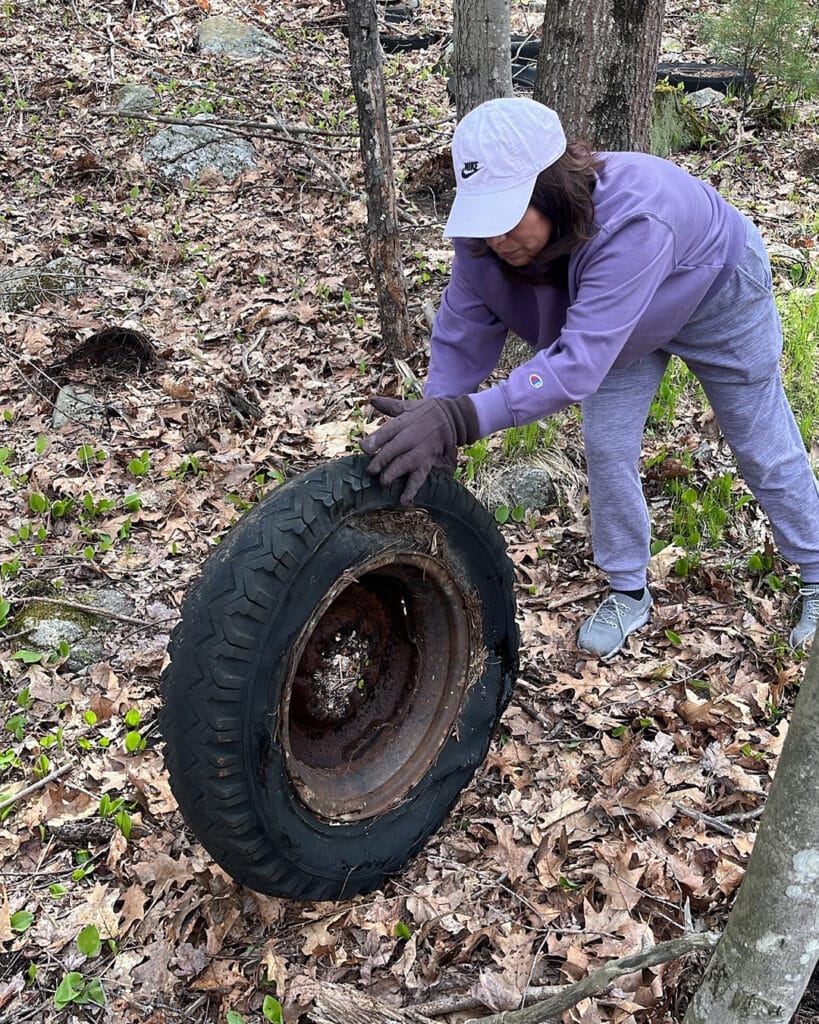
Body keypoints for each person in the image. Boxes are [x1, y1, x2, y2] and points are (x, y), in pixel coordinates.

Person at [360, 97, 819, 659]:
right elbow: (462, 331)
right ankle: (627, 589)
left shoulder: (633, 219)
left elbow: (576, 363)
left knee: (758, 443)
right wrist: (436, 416)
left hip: (714, 294)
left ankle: (817, 568)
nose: (497, 237)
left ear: (551, 190)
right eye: (485, 218)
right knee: (606, 446)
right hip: (612, 328)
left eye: (508, 215)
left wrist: (461, 420)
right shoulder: (483, 242)